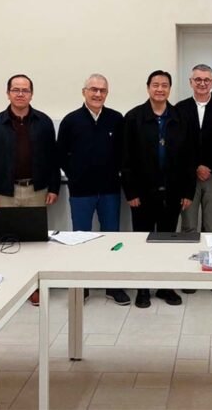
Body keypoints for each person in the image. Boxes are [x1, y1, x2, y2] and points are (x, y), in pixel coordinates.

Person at [0, 74, 60, 306]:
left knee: (35, 243)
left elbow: (53, 158)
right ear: (8, 93)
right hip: (5, 192)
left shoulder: (43, 122)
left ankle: (35, 287)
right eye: (16, 90)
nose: (20, 94)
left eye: (25, 90)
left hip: (36, 190)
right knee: (6, 242)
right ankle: (9, 288)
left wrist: (54, 187)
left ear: (31, 94)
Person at [122, 70, 195, 308]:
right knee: (143, 241)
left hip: (172, 192)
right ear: (148, 88)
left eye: (165, 85)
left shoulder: (181, 117)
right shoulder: (133, 117)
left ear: (170, 89)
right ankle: (143, 288)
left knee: (167, 242)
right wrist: (131, 192)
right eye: (156, 85)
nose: (160, 89)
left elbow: (189, 158)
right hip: (142, 193)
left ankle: (165, 286)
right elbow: (126, 159)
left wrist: (188, 191)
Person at [57, 73, 129, 306]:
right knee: (81, 238)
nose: (98, 94)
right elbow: (60, 154)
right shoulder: (71, 121)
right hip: (81, 191)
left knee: (112, 238)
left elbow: (123, 153)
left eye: (102, 90)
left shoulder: (116, 119)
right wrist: (75, 174)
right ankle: (82, 286)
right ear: (84, 92)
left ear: (107, 93)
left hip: (109, 190)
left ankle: (113, 285)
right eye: (93, 89)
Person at [176, 64, 212, 233]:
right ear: (190, 82)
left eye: (206, 80)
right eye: (198, 79)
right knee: (188, 225)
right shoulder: (180, 108)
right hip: (187, 175)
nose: (202, 83)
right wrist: (195, 166)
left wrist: (207, 166)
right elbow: (178, 144)